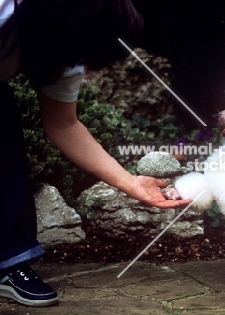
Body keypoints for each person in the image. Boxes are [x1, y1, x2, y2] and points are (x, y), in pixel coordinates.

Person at [0, 0, 191, 307]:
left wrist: (131, 183)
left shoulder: (67, 49)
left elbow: (64, 124)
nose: (83, 67)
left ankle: (8, 264)